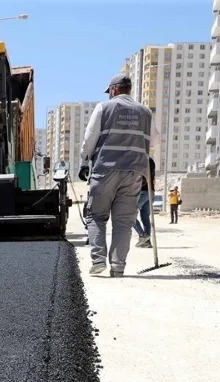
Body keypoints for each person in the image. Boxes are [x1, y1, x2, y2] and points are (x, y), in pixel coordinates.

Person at [79, 73, 155, 277]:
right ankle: (118, 267)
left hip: (105, 169)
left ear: (113, 90)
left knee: (96, 216)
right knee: (124, 222)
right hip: (134, 172)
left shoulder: (104, 107)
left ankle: (98, 260)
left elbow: (89, 138)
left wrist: (84, 160)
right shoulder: (146, 112)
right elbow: (153, 139)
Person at [134, 157, 156, 248]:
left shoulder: (140, 159)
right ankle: (147, 242)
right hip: (150, 192)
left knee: (128, 214)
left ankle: (142, 235)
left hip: (142, 192)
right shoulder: (150, 160)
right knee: (145, 218)